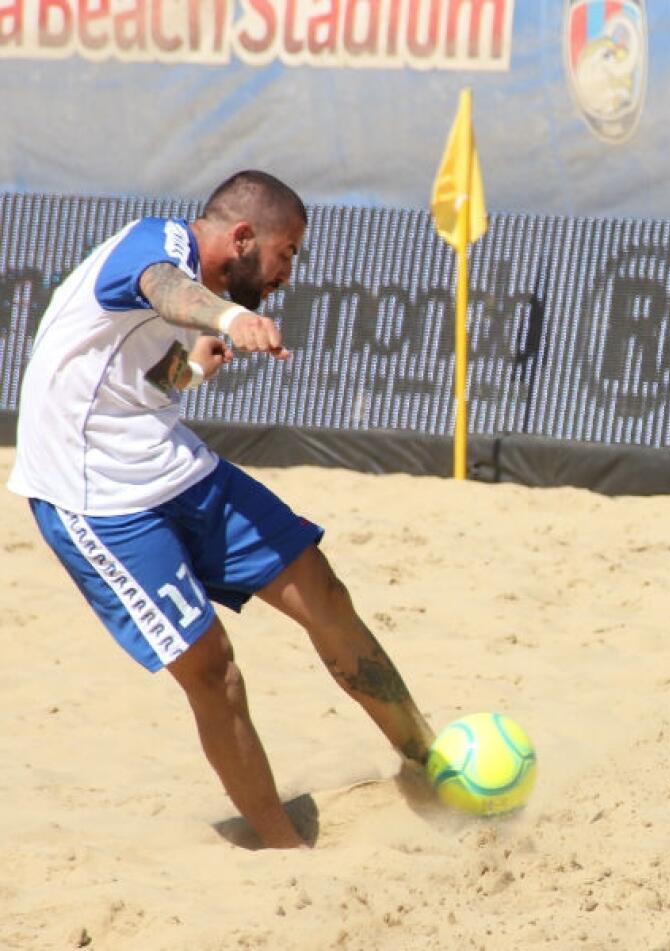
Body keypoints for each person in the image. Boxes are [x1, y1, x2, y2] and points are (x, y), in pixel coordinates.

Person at [7, 170, 435, 849]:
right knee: (214, 670)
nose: (287, 274)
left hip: (166, 462)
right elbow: (163, 287)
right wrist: (232, 318)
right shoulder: (151, 245)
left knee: (321, 587)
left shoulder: (170, 287)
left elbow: (128, 387)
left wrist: (190, 370)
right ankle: (284, 850)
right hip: (95, 500)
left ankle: (430, 760)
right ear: (242, 237)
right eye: (286, 252)